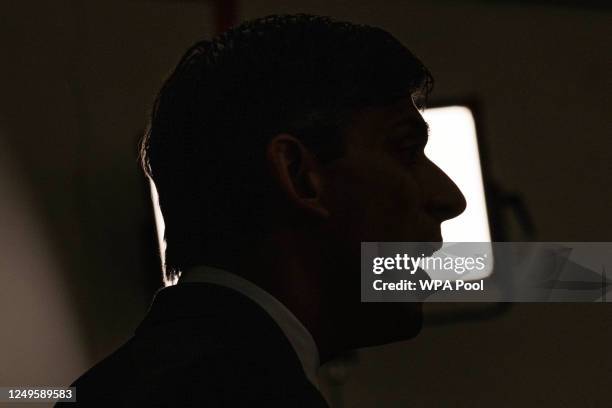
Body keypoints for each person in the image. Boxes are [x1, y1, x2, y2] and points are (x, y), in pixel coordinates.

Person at [58, 14, 465, 407]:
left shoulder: (105, 388)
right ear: (298, 175)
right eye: (407, 150)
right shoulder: (256, 394)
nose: (451, 198)